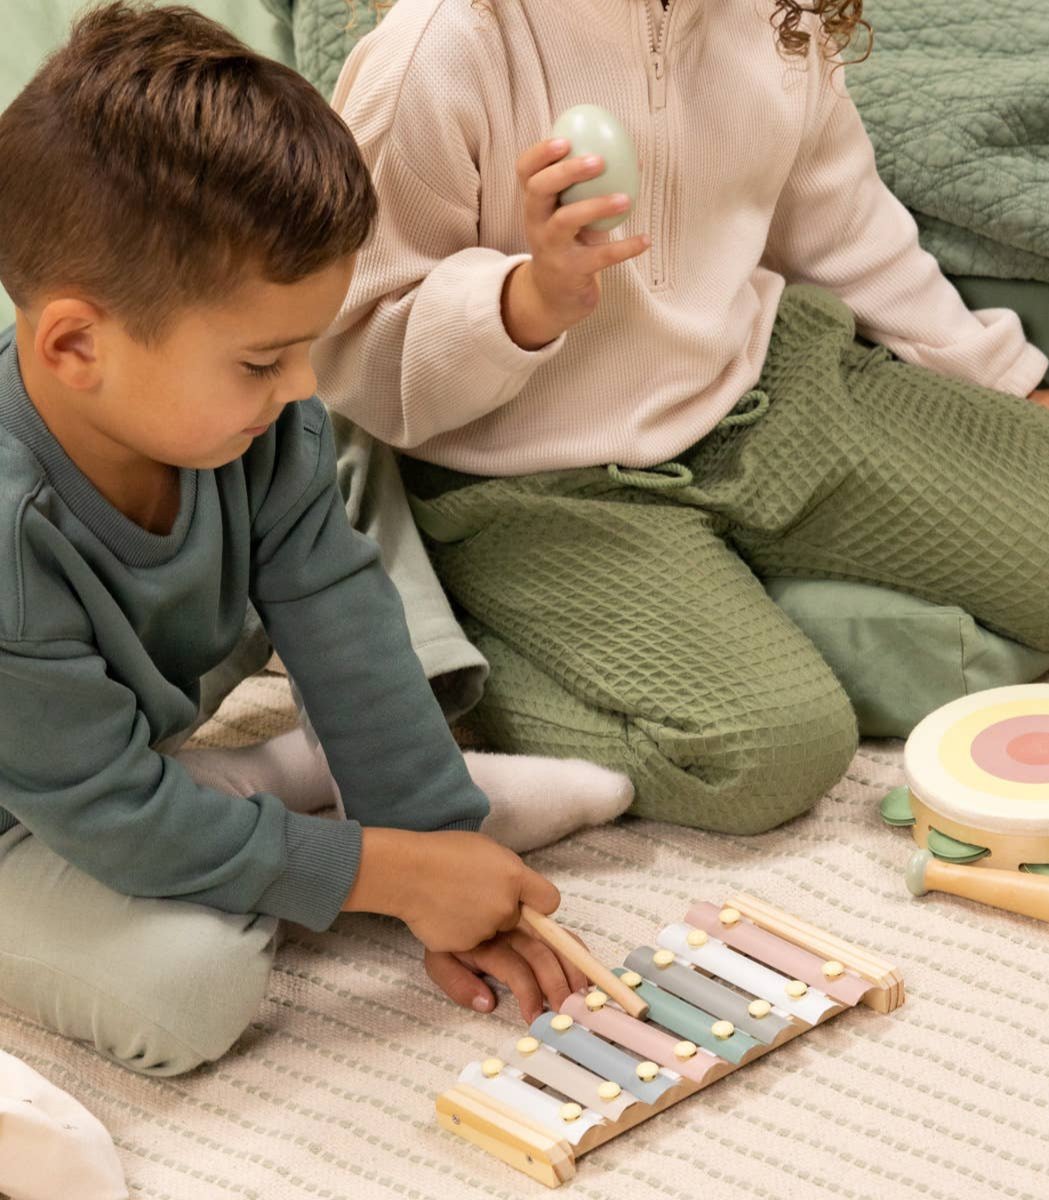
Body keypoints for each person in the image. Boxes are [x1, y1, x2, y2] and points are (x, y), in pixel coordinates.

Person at [315, 0, 1049, 835]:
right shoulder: (445, 44)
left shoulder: (779, 13)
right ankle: (454, 662)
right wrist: (524, 301)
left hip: (761, 396)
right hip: (542, 488)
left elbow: (842, 222)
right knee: (767, 757)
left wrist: (1004, 380)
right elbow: (349, 353)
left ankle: (729, 604)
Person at [0, 2, 629, 1077]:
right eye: (260, 362)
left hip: (95, 754)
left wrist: (435, 838)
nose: (301, 389)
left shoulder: (255, 420)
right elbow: (104, 818)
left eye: (305, 350)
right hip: (35, 806)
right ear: (75, 345)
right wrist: (386, 877)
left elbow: (340, 612)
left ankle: (268, 788)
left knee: (328, 777)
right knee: (193, 991)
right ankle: (261, 790)